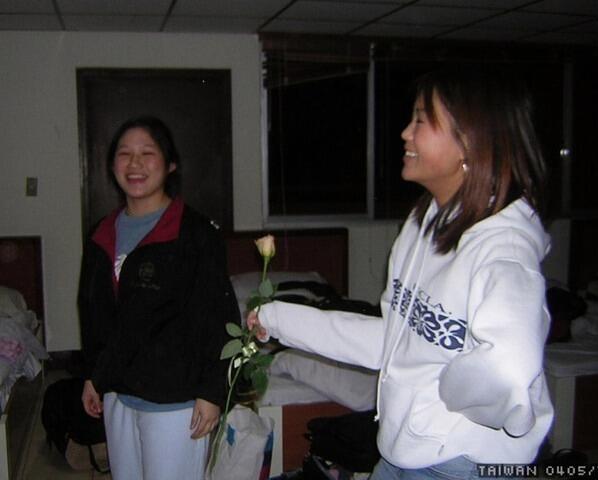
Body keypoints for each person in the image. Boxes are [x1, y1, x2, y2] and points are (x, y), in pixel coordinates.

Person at [249, 65, 554, 479]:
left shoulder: (504, 247)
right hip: (403, 449)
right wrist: (279, 318)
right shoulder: (421, 225)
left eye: (421, 121)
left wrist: (446, 391)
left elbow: (509, 370)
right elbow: (394, 341)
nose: (405, 134)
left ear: (471, 140)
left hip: (463, 462)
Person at [79, 116, 239, 480]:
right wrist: (93, 375)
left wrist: (212, 392)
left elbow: (219, 317)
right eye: (124, 154)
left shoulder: (194, 234)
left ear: (169, 164)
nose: (134, 164)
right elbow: (93, 314)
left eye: (146, 153)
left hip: (175, 399)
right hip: (119, 394)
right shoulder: (101, 234)